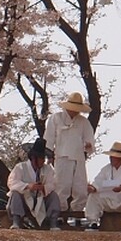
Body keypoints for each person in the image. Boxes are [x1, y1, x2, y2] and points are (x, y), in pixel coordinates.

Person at [44, 91, 95, 222]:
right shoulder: (55, 118)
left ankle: (77, 213)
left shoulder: (83, 122)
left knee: (81, 188)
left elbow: (89, 138)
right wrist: (49, 154)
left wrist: (89, 145)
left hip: (78, 158)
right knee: (61, 186)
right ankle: (60, 214)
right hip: (62, 156)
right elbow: (49, 138)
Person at [85, 141, 121, 232]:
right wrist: (93, 188)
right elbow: (98, 181)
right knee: (93, 195)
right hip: (109, 199)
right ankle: (93, 222)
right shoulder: (106, 169)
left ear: (120, 158)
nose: (111, 159)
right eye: (110, 156)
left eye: (113, 157)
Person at [7, 137, 61, 230]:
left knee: (54, 196)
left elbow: (53, 184)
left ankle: (53, 223)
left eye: (43, 158)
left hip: (41, 200)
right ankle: (16, 222)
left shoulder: (48, 169)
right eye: (41, 158)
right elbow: (12, 183)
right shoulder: (20, 167)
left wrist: (43, 188)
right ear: (33, 158)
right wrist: (28, 186)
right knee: (15, 194)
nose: (43, 161)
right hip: (24, 199)